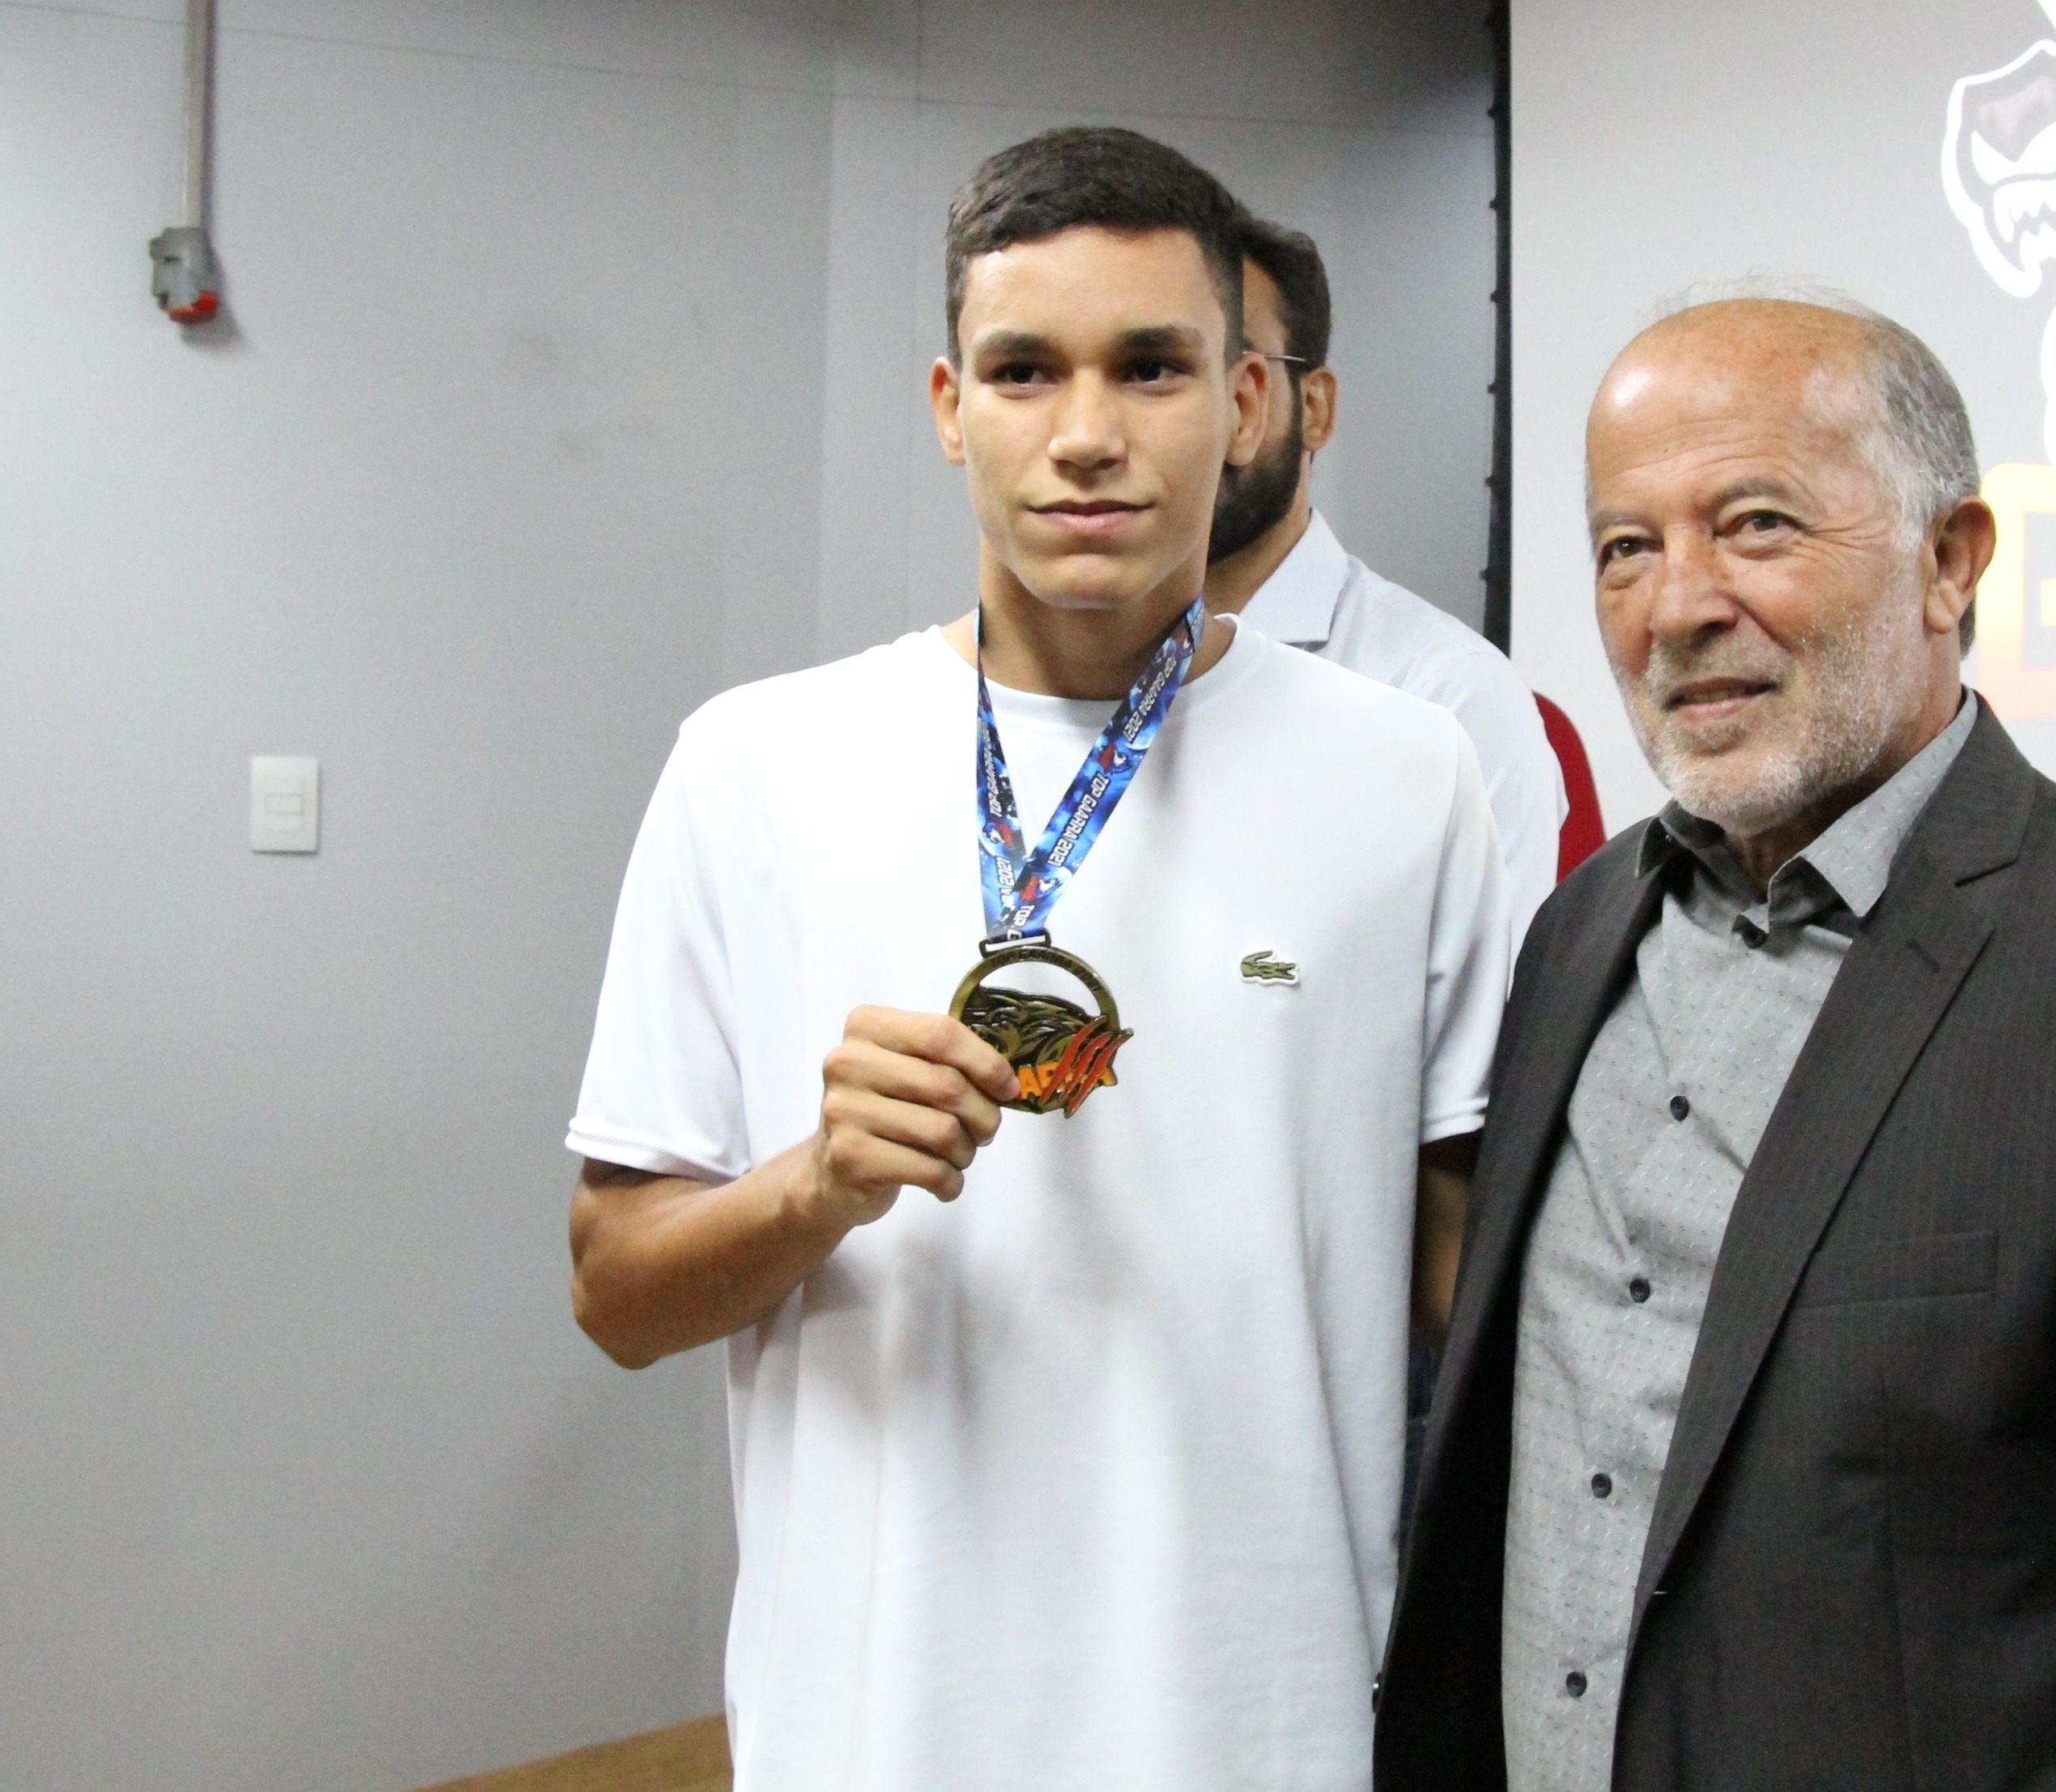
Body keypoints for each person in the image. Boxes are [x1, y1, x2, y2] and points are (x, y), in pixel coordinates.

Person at [564, 127, 1510, 1792]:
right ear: (950, 407)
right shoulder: (756, 766)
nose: (1085, 433)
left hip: (1263, 1728)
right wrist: (814, 1186)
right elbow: (617, 1294)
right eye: (1023, 371)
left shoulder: (1406, 772)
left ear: (1249, 402)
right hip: (876, 1734)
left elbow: (1474, 1283)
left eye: (1151, 366)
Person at [1374, 291, 2056, 1792]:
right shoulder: (1579, 933)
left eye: (1756, 525)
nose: (1678, 606)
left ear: (1950, 560)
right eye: (1625, 547)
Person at [1202, 215, 1566, 942]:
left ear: (1314, 408)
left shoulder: (1445, 697)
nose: (1202, 413)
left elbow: (1496, 1009)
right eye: (1156, 371)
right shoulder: (1073, 674)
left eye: (1235, 371)